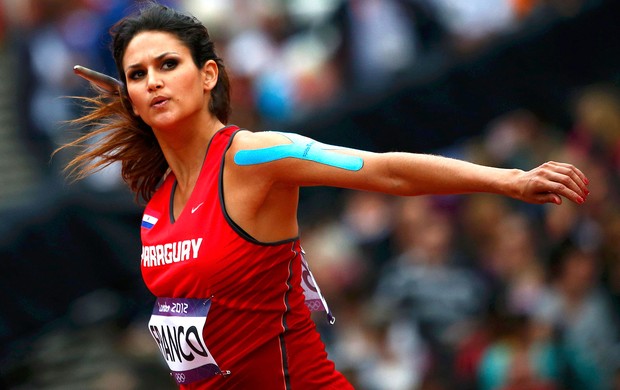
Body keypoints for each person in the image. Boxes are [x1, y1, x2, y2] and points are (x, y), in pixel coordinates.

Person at [57, 2, 590, 389]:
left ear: (207, 75)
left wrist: (507, 179)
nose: (153, 81)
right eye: (137, 74)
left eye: (168, 65)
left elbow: (383, 171)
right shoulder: (156, 206)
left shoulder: (251, 158)